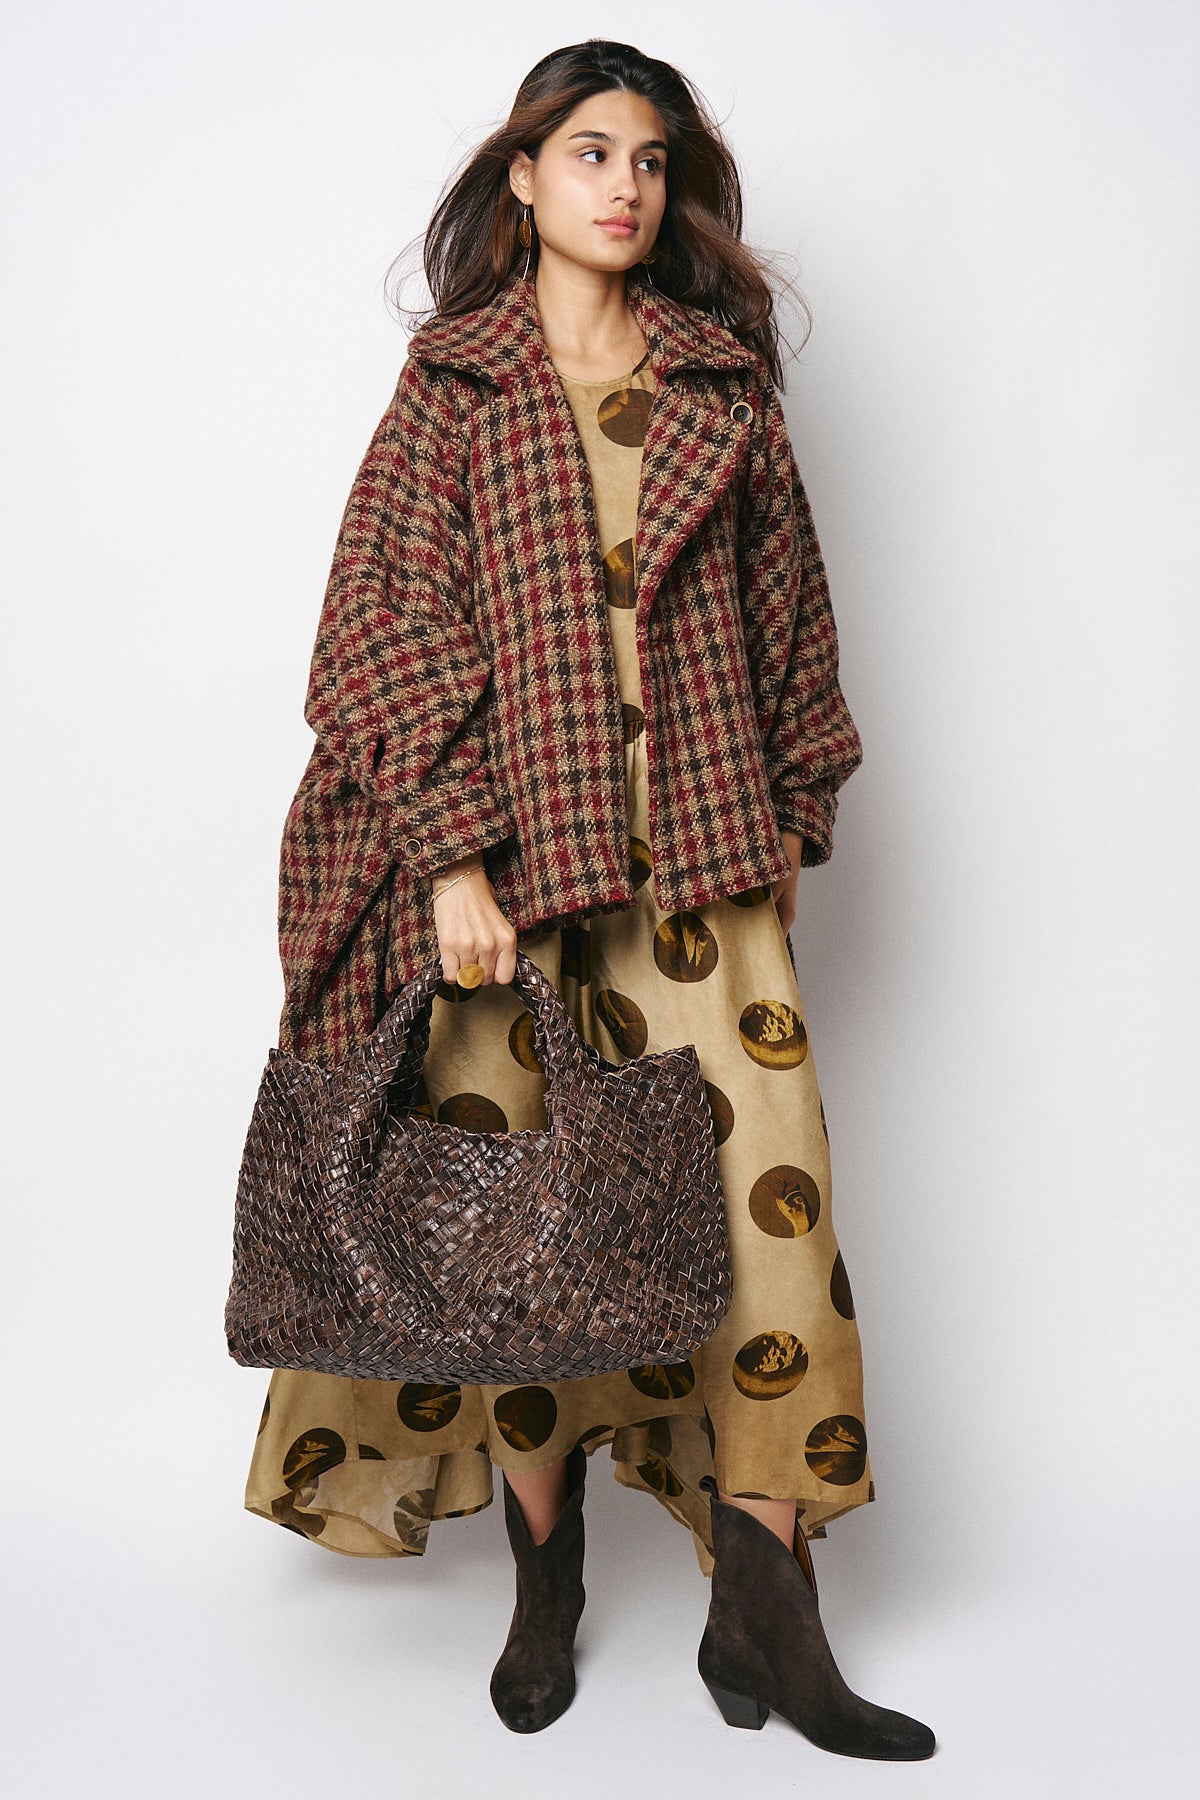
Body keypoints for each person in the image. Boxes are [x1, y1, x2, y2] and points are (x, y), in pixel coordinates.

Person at [242, 37, 936, 1758]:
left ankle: (767, 1613)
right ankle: (544, 1583)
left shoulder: (722, 383)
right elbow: (371, 631)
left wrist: (788, 819)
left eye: (651, 159)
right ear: (525, 177)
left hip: (702, 865)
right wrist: (449, 856)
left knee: (770, 1228)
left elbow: (792, 623)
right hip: (513, 882)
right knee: (534, 1243)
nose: (625, 186)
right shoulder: (455, 388)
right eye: (590, 152)